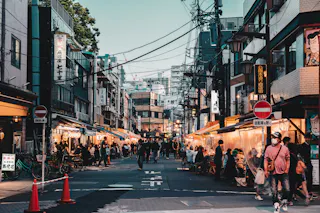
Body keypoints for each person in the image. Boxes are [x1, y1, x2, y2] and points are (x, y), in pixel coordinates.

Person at [264, 132, 290, 213]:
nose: (273, 139)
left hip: (283, 171)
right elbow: (266, 159)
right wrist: (266, 170)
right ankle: (276, 204)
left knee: (287, 188)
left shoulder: (285, 148)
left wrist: (287, 169)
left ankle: (284, 201)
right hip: (273, 171)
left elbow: (288, 159)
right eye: (272, 137)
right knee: (273, 190)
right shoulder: (268, 148)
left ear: (279, 139)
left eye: (275, 138)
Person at [299, 132, 316, 200]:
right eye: (307, 138)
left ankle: (309, 191)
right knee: (305, 178)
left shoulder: (309, 145)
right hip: (305, 164)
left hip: (309, 163)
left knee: (309, 177)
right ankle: (306, 192)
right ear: (305, 138)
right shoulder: (302, 146)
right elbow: (301, 156)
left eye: (309, 138)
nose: (309, 139)